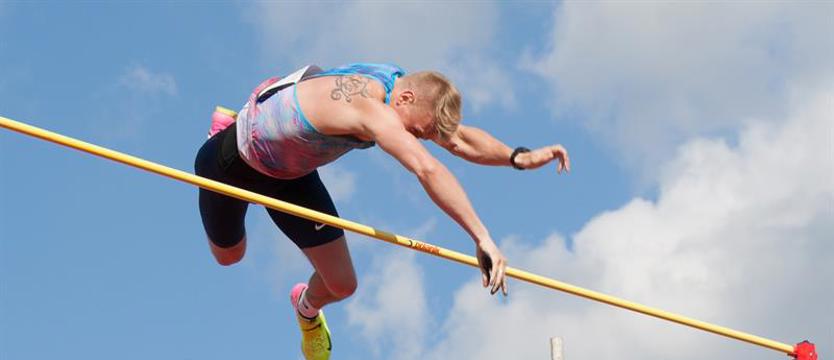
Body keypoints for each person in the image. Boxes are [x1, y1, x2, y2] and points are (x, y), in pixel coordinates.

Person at [194, 63, 570, 360]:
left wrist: (517, 157)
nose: (417, 138)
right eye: (418, 132)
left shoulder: (400, 88)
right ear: (405, 98)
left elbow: (458, 139)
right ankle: (230, 125)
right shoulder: (371, 109)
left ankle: (306, 310)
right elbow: (427, 168)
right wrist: (482, 236)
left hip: (292, 174)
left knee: (342, 284)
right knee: (230, 256)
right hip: (233, 159)